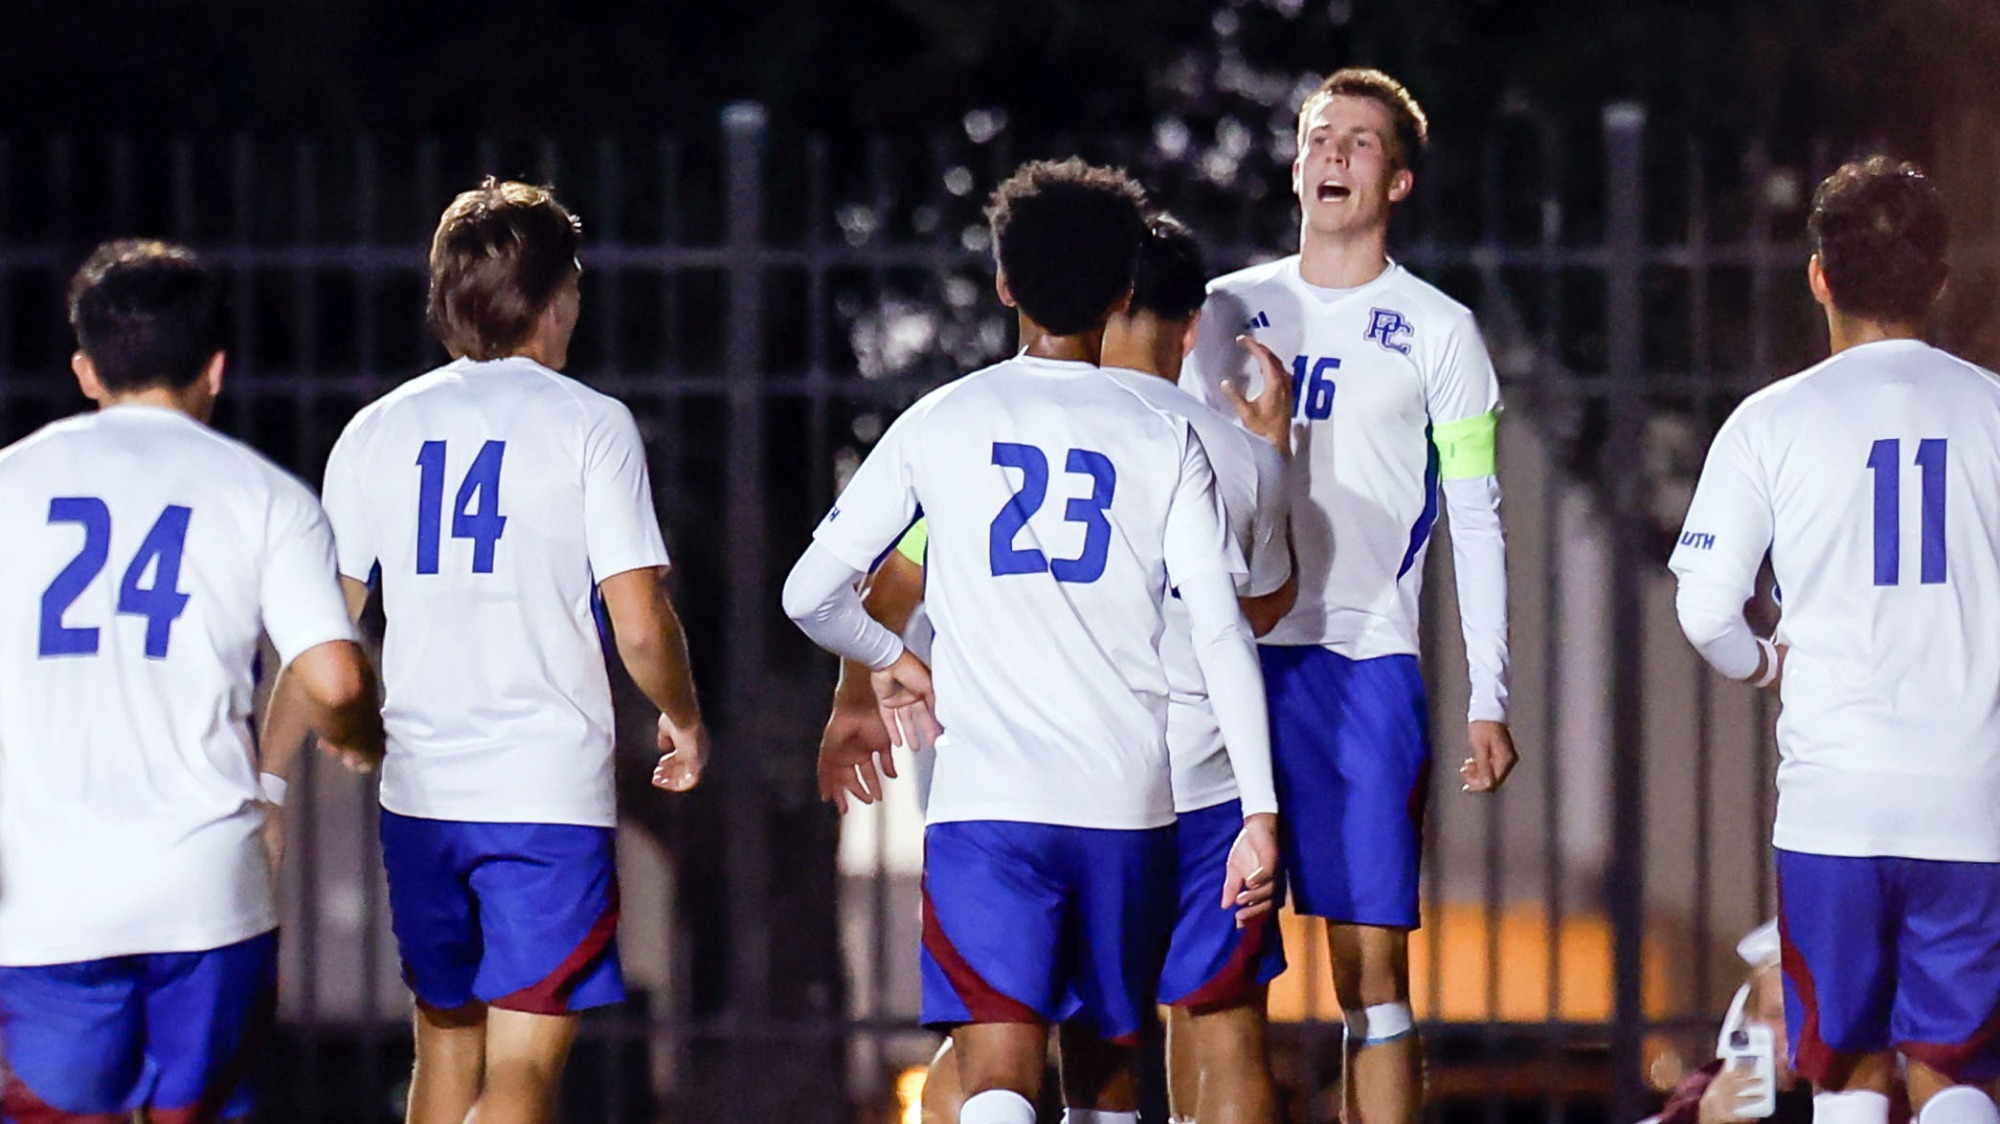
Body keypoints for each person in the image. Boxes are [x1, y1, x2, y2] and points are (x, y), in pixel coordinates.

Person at [783, 158, 1280, 1124]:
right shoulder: (1162, 436)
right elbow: (1222, 630)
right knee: (1107, 1080)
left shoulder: (944, 420)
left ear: (1005, 285)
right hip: (1126, 806)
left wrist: (891, 661)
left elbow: (813, 594)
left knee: (998, 1080)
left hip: (987, 807)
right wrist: (1258, 808)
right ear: (1124, 291)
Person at [273, 179, 709, 1124]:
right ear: (557, 297)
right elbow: (640, 622)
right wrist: (683, 713)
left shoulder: (375, 429)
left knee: (444, 1056)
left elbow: (319, 632)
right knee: (524, 1072)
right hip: (545, 793)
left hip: (422, 793)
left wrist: (269, 781)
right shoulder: (591, 423)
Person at [1180, 67, 1518, 1124]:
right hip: (1226, 658)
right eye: (1319, 137)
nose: (1333, 154)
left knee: (1368, 977)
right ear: (1292, 165)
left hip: (1362, 662)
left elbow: (1473, 515)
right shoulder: (1226, 311)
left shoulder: (1437, 329)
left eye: (1359, 143)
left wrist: (1488, 693)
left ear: (1398, 180)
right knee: (1210, 973)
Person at [0, 240, 384, 1123]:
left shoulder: (13, 485)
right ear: (216, 369)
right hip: (205, 887)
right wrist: (360, 735)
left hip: (47, 893)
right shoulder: (263, 496)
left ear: (86, 370)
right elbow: (331, 674)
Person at [1671, 156, 2000, 1124]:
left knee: (1846, 1071)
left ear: (1816, 274)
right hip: (1969, 798)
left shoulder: (1768, 422)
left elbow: (1701, 610)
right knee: (1956, 1071)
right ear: (1938, 280)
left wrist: (1761, 661)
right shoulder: (1991, 411)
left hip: (1832, 808)